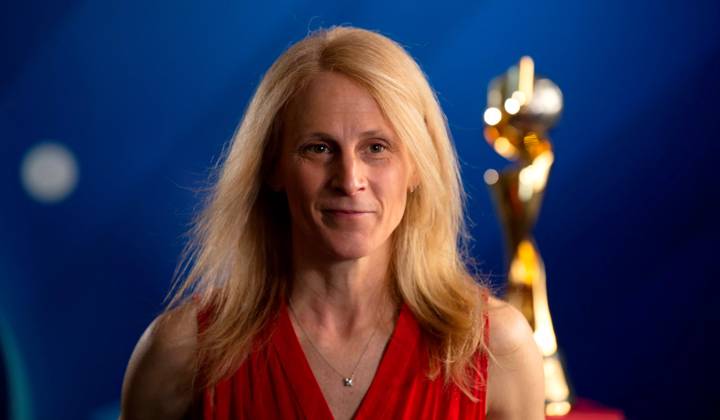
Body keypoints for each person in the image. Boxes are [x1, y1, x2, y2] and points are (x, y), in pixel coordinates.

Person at [119, 26, 544, 420]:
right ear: (273, 167)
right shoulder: (181, 353)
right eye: (318, 148)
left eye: (376, 147)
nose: (350, 179)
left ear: (418, 167)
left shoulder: (497, 350)